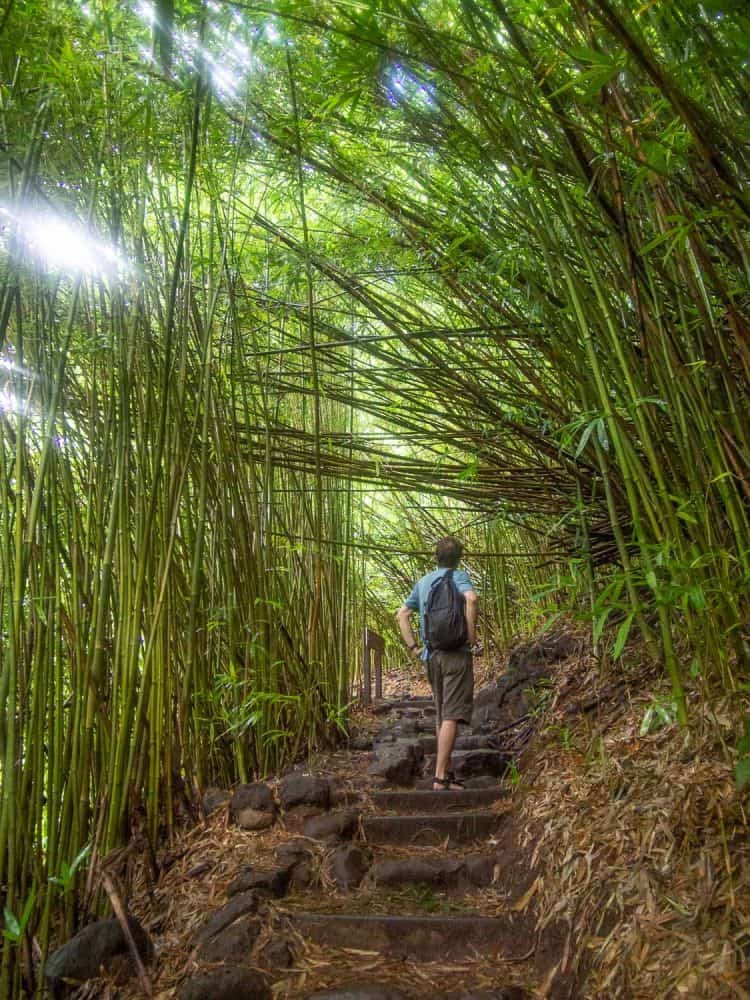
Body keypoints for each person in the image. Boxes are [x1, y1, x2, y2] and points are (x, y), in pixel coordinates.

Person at [396, 536, 478, 791]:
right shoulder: (458, 576)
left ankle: (447, 773)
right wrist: (471, 637)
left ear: (436, 557)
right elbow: (472, 599)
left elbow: (402, 614)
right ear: (458, 558)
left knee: (443, 714)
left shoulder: (423, 582)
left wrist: (414, 648)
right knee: (452, 714)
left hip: (432, 656)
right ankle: (440, 776)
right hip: (456, 654)